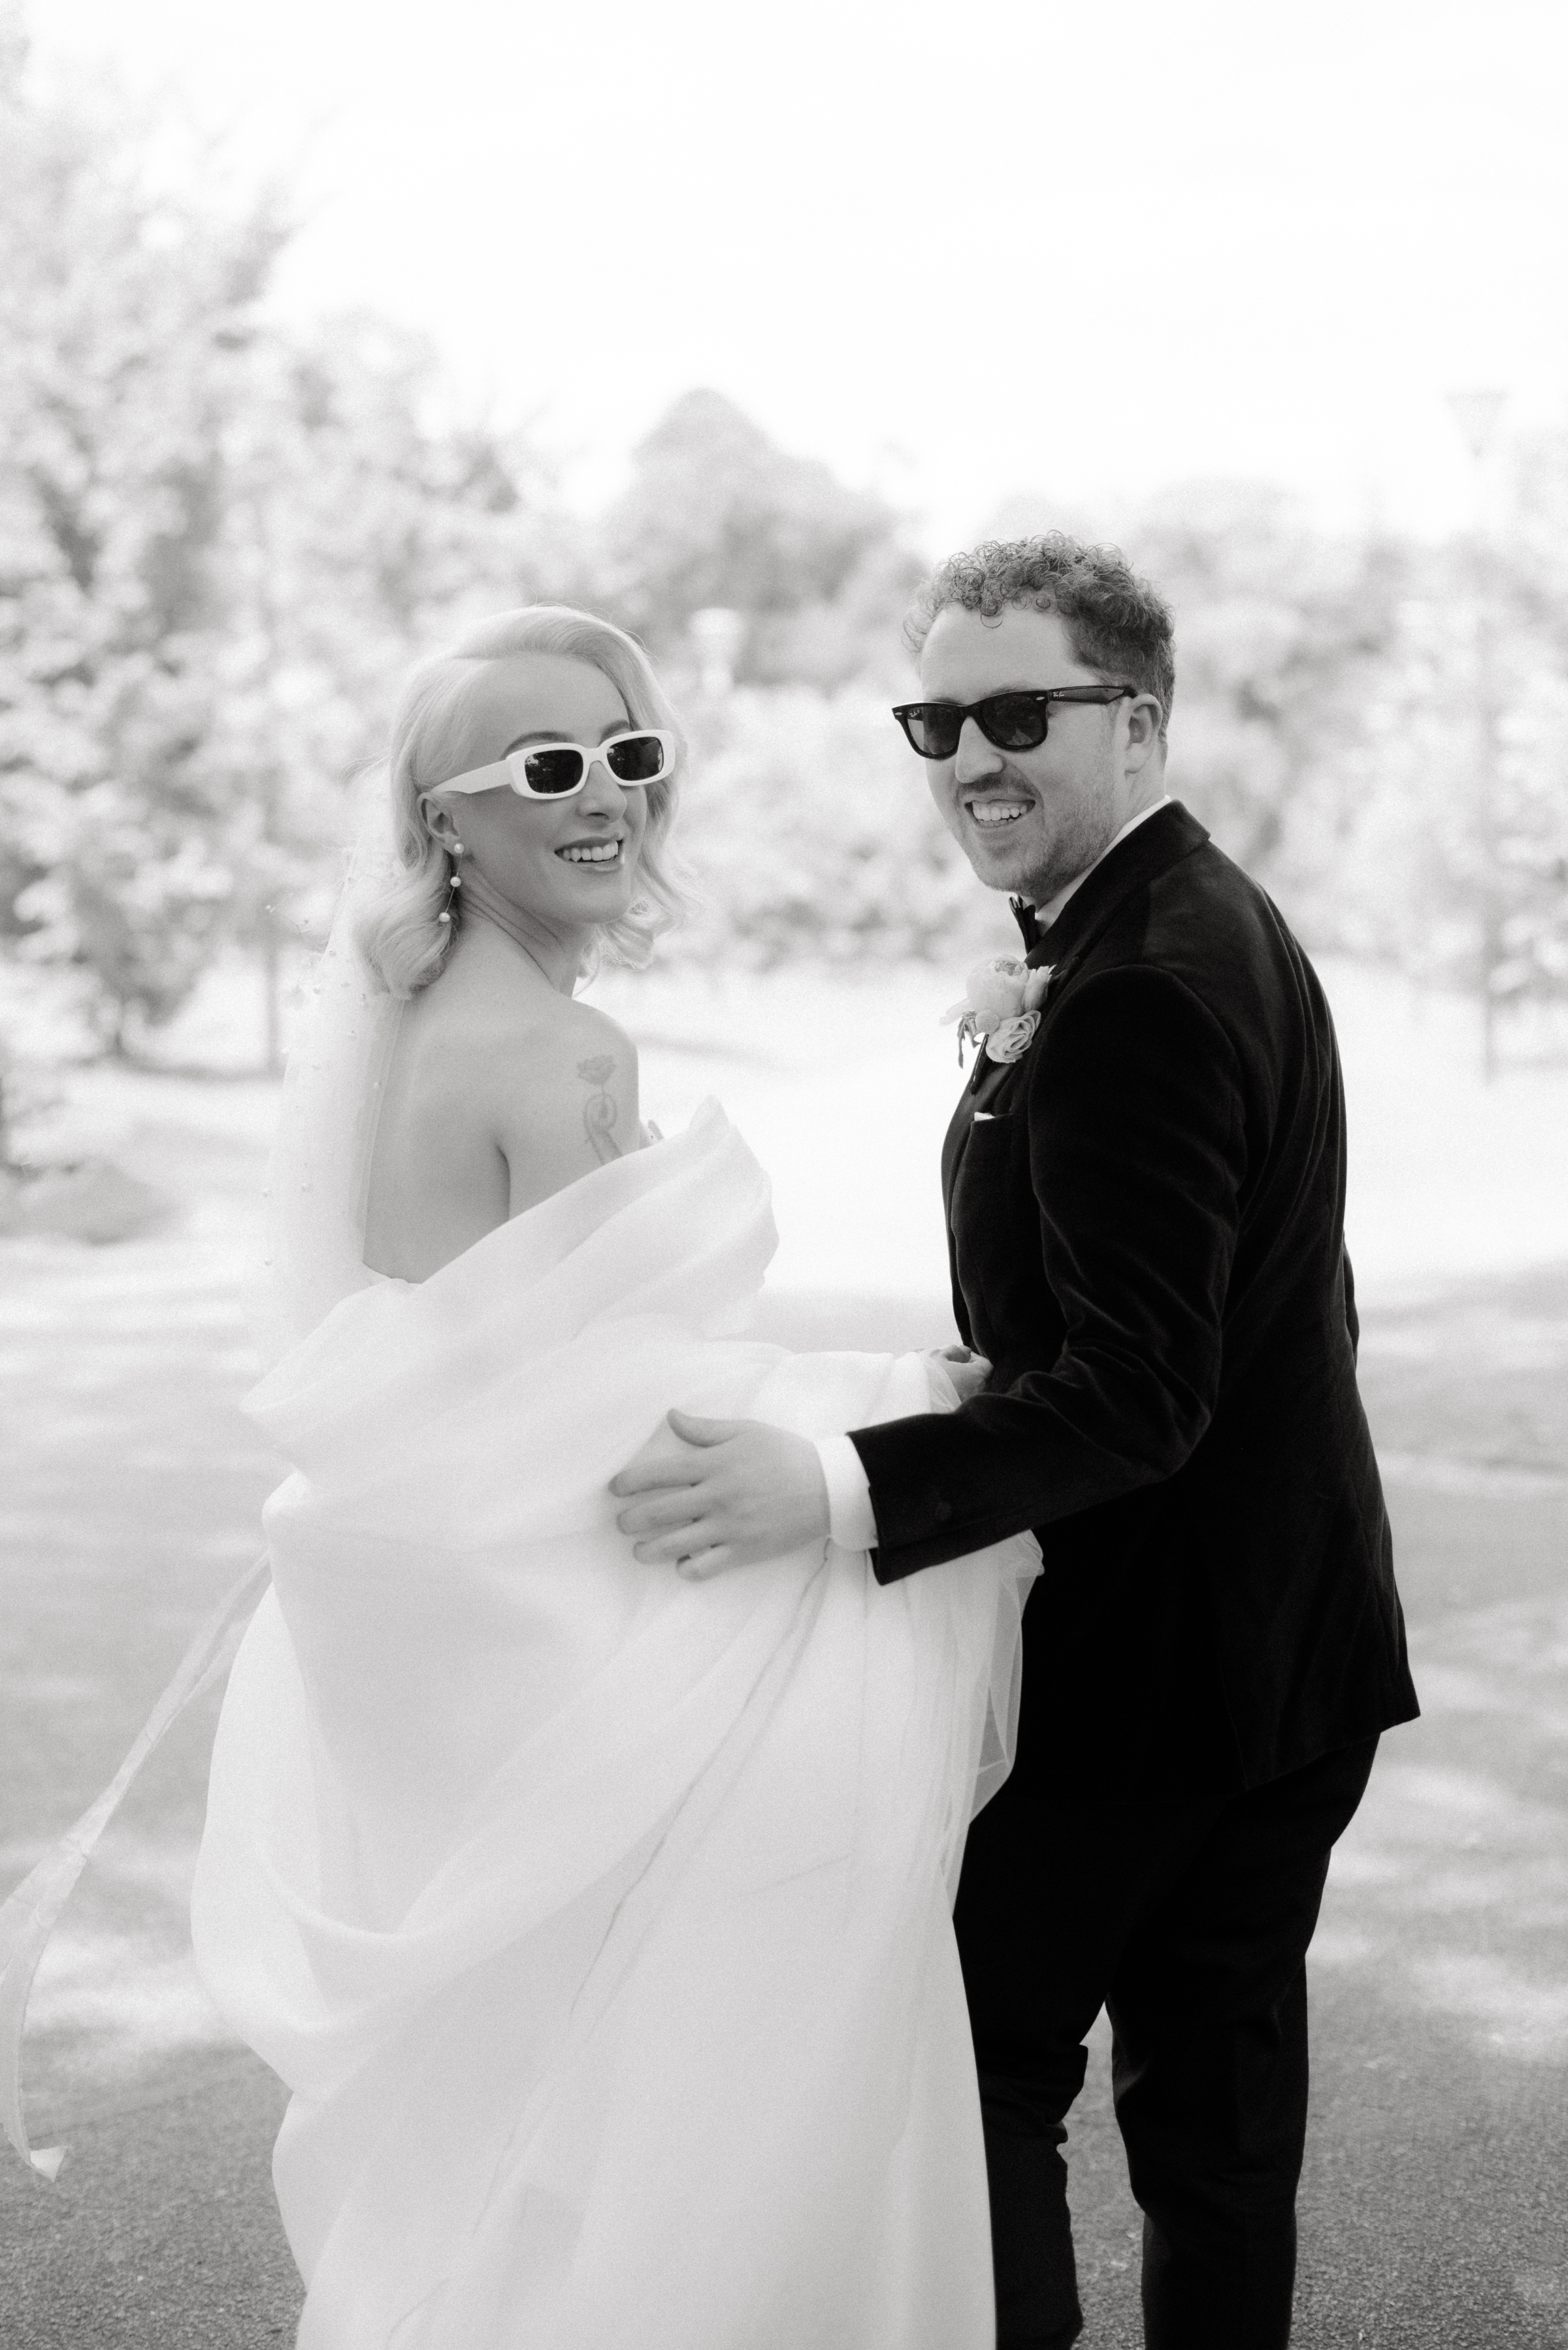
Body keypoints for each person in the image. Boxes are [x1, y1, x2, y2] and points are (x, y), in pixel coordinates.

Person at [188, 604, 1039, 2350]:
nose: (604, 799)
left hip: (456, 1636)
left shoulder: (410, 1008)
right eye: (548, 768)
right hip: (574, 1634)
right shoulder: (569, 1056)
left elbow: (458, 1364)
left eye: (631, 756)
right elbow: (619, 1425)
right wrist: (907, 1400)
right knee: (721, 2058)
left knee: (543, 2096)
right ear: (445, 815)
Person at [610, 535, 1421, 2350]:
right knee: (1215, 2129)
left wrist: (829, 1484)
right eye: (935, 718)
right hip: (1280, 1645)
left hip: (1156, 1677)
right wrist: (976, 1377)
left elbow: (1144, 1386)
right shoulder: (1197, 915)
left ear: (1134, 718)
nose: (969, 755)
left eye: (1015, 712)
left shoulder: (1141, 977)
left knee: (971, 2080)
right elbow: (1238, 1310)